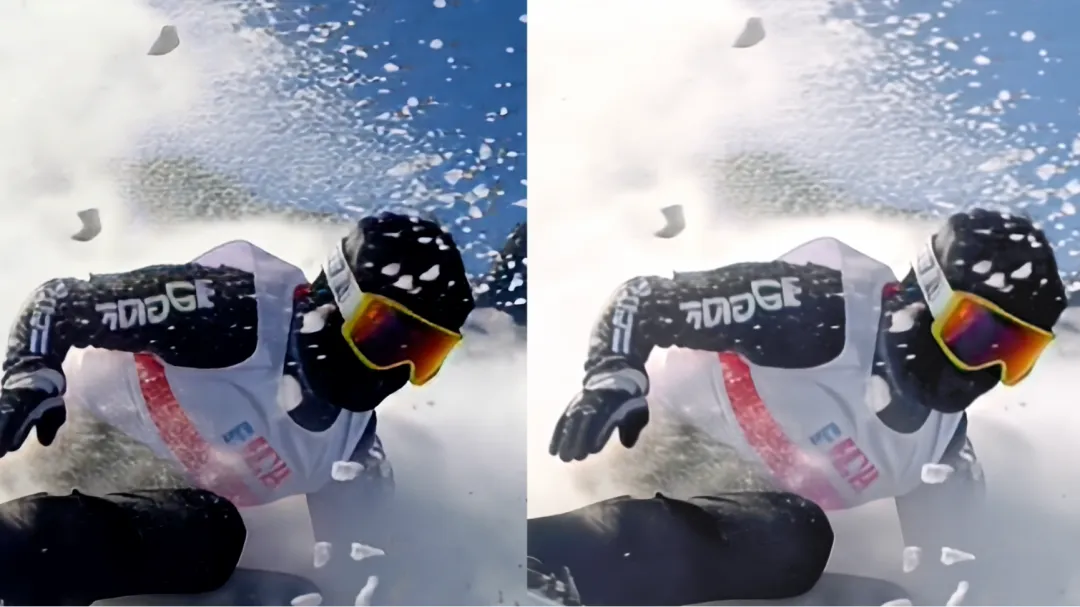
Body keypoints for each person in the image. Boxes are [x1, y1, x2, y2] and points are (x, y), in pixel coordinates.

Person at [533, 208, 1067, 605]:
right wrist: (614, 377)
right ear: (929, 294)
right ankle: (543, 565)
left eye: (1016, 354)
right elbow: (645, 298)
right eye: (978, 336)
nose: (988, 369)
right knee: (796, 534)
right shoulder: (822, 310)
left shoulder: (941, 446)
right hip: (653, 446)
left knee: (888, 602)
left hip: (737, 529)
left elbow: (952, 575)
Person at [0, 211, 475, 605]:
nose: (398, 369)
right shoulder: (233, 312)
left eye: (425, 353)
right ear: (338, 298)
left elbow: (362, 567)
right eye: (386, 335)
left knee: (295, 595)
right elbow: (60, 302)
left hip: (151, 516)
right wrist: (29, 378)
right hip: (65, 439)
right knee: (214, 529)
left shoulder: (352, 448)